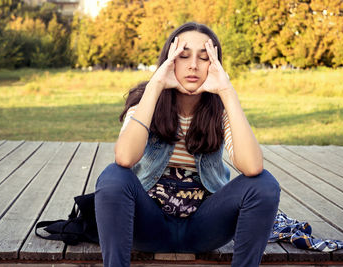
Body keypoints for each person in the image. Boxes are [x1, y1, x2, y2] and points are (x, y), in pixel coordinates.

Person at [94, 22, 281, 267]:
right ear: (169, 61)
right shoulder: (146, 101)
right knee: (112, 177)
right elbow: (125, 158)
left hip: (203, 228)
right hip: (149, 225)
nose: (193, 65)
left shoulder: (220, 110)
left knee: (265, 184)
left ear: (214, 65)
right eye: (183, 56)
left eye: (204, 58)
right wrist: (156, 85)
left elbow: (253, 167)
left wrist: (227, 91)